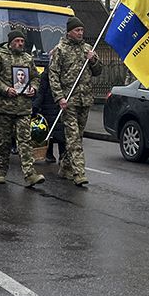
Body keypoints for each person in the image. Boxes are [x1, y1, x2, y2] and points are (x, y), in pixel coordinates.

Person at [46, 16, 102, 187]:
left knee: (78, 136)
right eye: (77, 30)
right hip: (68, 100)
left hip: (85, 100)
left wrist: (93, 60)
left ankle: (65, 165)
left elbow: (98, 71)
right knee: (73, 138)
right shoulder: (60, 50)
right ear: (69, 32)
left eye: (82, 30)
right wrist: (59, 97)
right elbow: (53, 75)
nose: (80, 33)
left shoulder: (87, 49)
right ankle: (79, 172)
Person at [0, 30, 44, 186]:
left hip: (24, 108)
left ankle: (30, 174)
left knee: (25, 141)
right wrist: (5, 89)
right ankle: (1, 171)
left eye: (22, 41)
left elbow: (35, 77)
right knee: (4, 143)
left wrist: (33, 88)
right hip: (4, 108)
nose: (20, 44)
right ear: (11, 42)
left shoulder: (27, 58)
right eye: (17, 41)